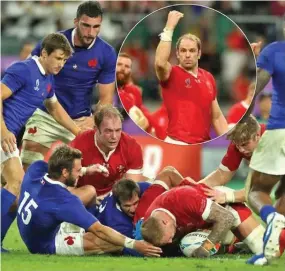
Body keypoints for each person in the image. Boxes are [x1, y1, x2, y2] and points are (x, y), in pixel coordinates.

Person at [1, 33, 81, 252]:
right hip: (2, 134)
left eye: (64, 60)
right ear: (44, 53)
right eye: (58, 58)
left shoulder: (47, 79)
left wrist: (79, 132)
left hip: (7, 136)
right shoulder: (23, 70)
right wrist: (3, 130)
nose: (61, 64)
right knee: (17, 183)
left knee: (9, 188)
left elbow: (54, 108)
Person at [17, 145, 162, 257]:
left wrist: (87, 170)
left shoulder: (36, 169)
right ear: (65, 172)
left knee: (89, 191)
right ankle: (147, 248)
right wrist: (135, 244)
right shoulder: (65, 201)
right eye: (78, 170)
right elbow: (99, 230)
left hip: (30, 228)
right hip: (44, 244)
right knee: (107, 241)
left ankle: (78, 225)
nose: (81, 173)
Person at [21, 1, 116, 170]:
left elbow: (106, 98)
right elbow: (28, 72)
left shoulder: (106, 53)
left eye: (96, 27)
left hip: (80, 120)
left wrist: (94, 119)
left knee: (94, 170)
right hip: (45, 116)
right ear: (75, 22)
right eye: (86, 25)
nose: (90, 32)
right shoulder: (52, 42)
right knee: (26, 170)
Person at [240, 33, 285, 264]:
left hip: (280, 130)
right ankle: (272, 246)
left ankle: (272, 219)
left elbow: (257, 87)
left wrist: (242, 120)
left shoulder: (276, 50)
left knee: (256, 191)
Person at [155, 10, 228, 145]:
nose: (187, 55)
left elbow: (217, 116)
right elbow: (160, 62)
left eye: (192, 50)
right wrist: (169, 29)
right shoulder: (171, 73)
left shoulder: (208, 77)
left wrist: (228, 143)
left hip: (202, 145)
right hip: (177, 143)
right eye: (183, 51)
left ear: (199, 53)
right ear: (177, 54)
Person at [69, 104, 144, 199]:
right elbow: (66, 186)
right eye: (108, 131)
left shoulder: (132, 147)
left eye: (118, 130)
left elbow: (130, 190)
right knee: (89, 191)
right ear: (96, 129)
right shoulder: (79, 145)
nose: (114, 137)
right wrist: (85, 171)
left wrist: (107, 199)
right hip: (84, 197)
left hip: (112, 198)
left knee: (145, 187)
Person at [199, 115, 266, 204]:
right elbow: (221, 175)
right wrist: (195, 187)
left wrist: (227, 196)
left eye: (245, 144)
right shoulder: (237, 145)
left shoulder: (272, 140)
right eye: (237, 145)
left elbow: (260, 188)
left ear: (257, 136)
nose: (241, 149)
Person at [116, 52, 151, 131]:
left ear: (130, 71)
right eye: (119, 64)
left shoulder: (135, 92)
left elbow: (143, 119)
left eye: (127, 66)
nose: (123, 68)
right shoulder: (106, 88)